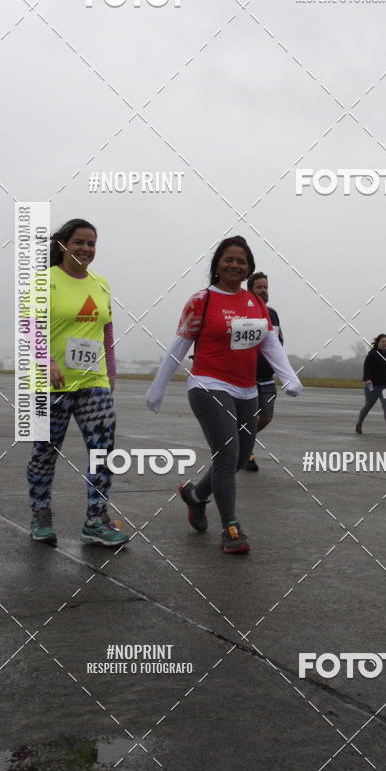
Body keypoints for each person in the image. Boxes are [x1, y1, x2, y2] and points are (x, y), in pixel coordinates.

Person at [146, 236, 302, 554]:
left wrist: (289, 378)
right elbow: (180, 346)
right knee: (227, 454)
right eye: (229, 259)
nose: (234, 265)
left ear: (249, 269)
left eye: (241, 261)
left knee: (241, 457)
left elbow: (270, 345)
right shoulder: (201, 300)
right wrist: (157, 387)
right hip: (208, 384)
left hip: (246, 390)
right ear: (217, 264)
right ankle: (230, 527)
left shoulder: (256, 304)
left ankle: (196, 496)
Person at [25, 219, 128, 547]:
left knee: (103, 451)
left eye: (91, 243)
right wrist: (48, 362)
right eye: (79, 242)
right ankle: (41, 514)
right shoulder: (44, 282)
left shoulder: (102, 284)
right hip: (50, 384)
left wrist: (110, 375)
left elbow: (107, 331)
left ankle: (96, 521)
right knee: (45, 452)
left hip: (93, 382)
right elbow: (29, 327)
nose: (86, 249)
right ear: (63, 245)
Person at [244, 271, 284, 472]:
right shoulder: (243, 311)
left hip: (267, 377)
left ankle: (242, 436)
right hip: (247, 376)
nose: (263, 291)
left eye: (265, 287)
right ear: (250, 290)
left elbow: (279, 343)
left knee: (266, 416)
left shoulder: (273, 314)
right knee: (250, 417)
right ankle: (247, 454)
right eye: (259, 287)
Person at [356, 334, 386, 436]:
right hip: (373, 386)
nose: (384, 343)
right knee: (368, 406)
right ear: (378, 342)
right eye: (382, 341)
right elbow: (366, 367)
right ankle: (359, 424)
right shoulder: (372, 354)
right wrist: (367, 379)